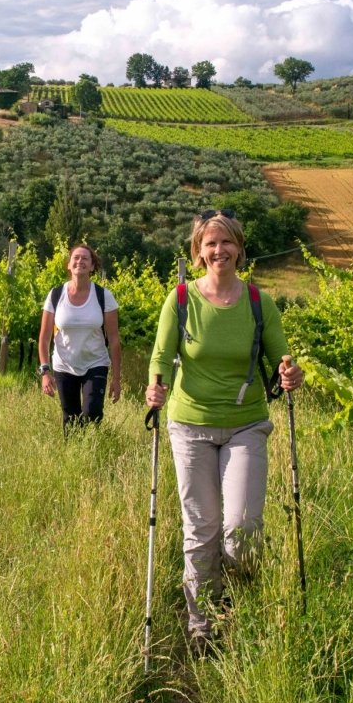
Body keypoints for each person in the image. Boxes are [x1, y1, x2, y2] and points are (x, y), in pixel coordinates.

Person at [145, 210, 304, 651]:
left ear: (239, 248)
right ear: (198, 252)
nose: (219, 251)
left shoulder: (259, 302)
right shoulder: (180, 300)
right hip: (190, 425)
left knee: (243, 529)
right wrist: (155, 386)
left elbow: (281, 358)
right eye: (210, 244)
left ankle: (234, 599)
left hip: (246, 425)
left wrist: (291, 373)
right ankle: (202, 624)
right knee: (202, 529)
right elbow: (161, 355)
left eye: (227, 242)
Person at [37, 244, 122, 432]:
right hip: (64, 365)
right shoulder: (55, 295)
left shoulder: (103, 296)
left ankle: (92, 455)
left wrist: (116, 378)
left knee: (92, 414)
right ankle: (73, 456)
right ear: (69, 265)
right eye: (76, 257)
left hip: (95, 363)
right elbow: (44, 338)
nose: (80, 261)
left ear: (92, 266)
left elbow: (114, 340)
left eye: (85, 258)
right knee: (71, 418)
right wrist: (45, 372)